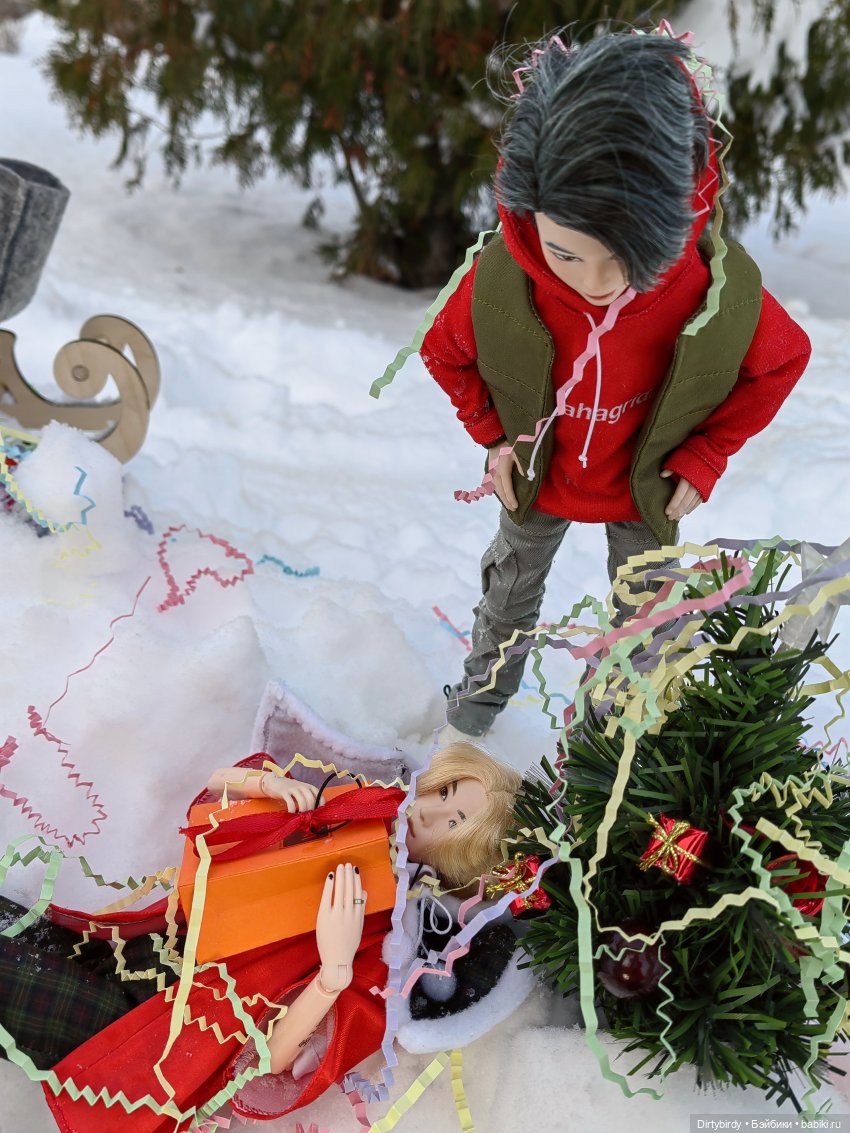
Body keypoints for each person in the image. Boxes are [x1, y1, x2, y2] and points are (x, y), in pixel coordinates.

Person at [419, 27, 812, 738]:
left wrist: (706, 452)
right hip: (536, 473)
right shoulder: (503, 282)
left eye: (625, 259)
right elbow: (444, 351)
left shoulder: (707, 289)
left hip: (645, 482)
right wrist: (494, 438)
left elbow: (781, 361)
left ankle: (611, 743)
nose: (596, 284)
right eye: (566, 253)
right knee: (508, 592)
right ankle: (471, 717)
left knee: (647, 619)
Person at [0, 741, 521, 1132]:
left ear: (461, 858)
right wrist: (267, 787)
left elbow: (267, 1064)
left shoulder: (389, 942)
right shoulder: (354, 806)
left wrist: (333, 974)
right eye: (445, 792)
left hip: (159, 1034)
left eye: (454, 821)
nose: (430, 810)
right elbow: (213, 796)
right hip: (142, 948)